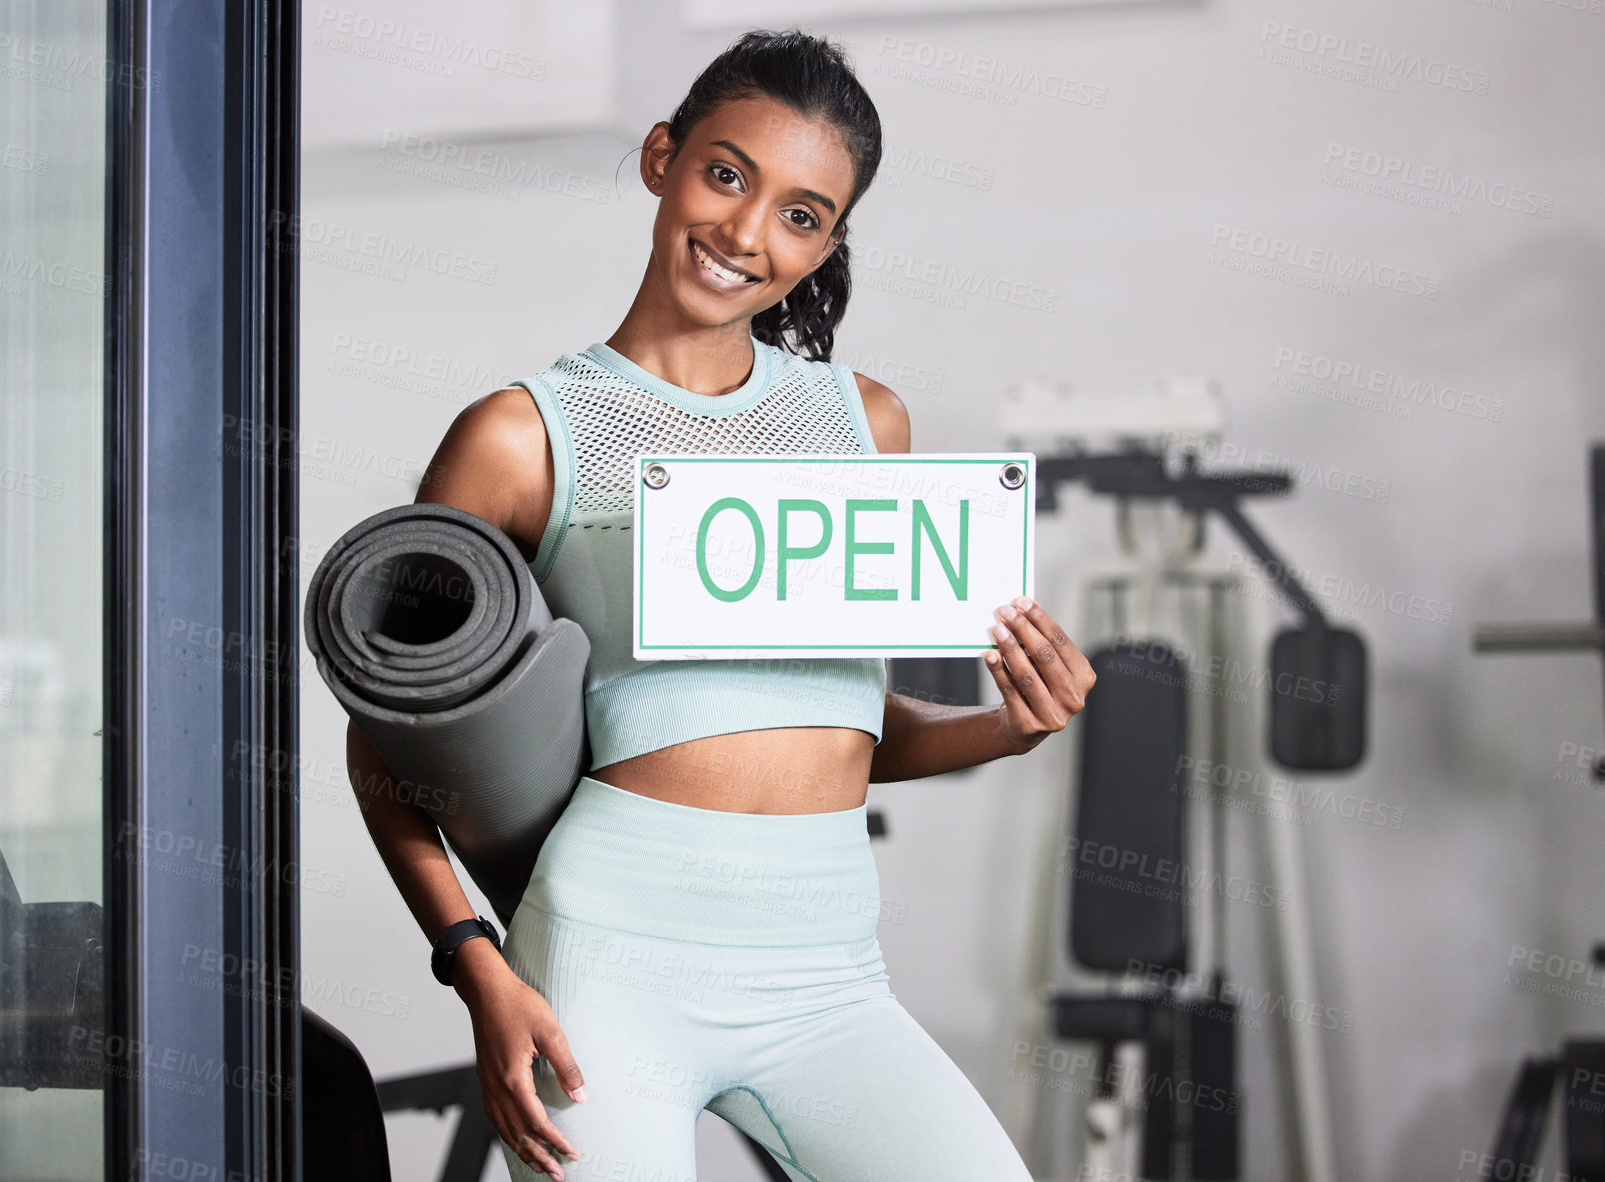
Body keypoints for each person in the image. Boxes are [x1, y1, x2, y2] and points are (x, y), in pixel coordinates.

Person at [346, 27, 1097, 1181]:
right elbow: (387, 739)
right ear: (662, 158)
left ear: (829, 243)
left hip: (828, 971)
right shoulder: (520, 436)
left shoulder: (868, 425)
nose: (747, 233)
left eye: (800, 214)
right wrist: (475, 962)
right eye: (727, 174)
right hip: (612, 957)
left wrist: (1010, 727)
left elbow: (842, 727)